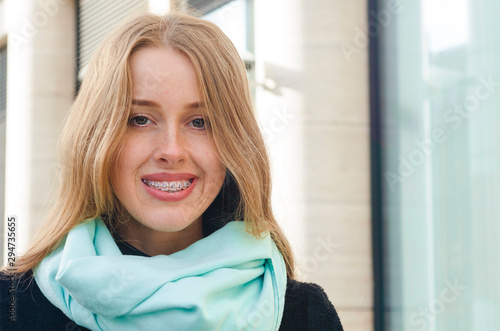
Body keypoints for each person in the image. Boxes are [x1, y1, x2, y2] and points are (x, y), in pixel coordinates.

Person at [0, 12, 343, 331]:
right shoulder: (13, 307)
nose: (172, 151)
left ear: (234, 142)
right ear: (96, 138)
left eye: (200, 122)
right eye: (139, 119)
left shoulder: (303, 314)